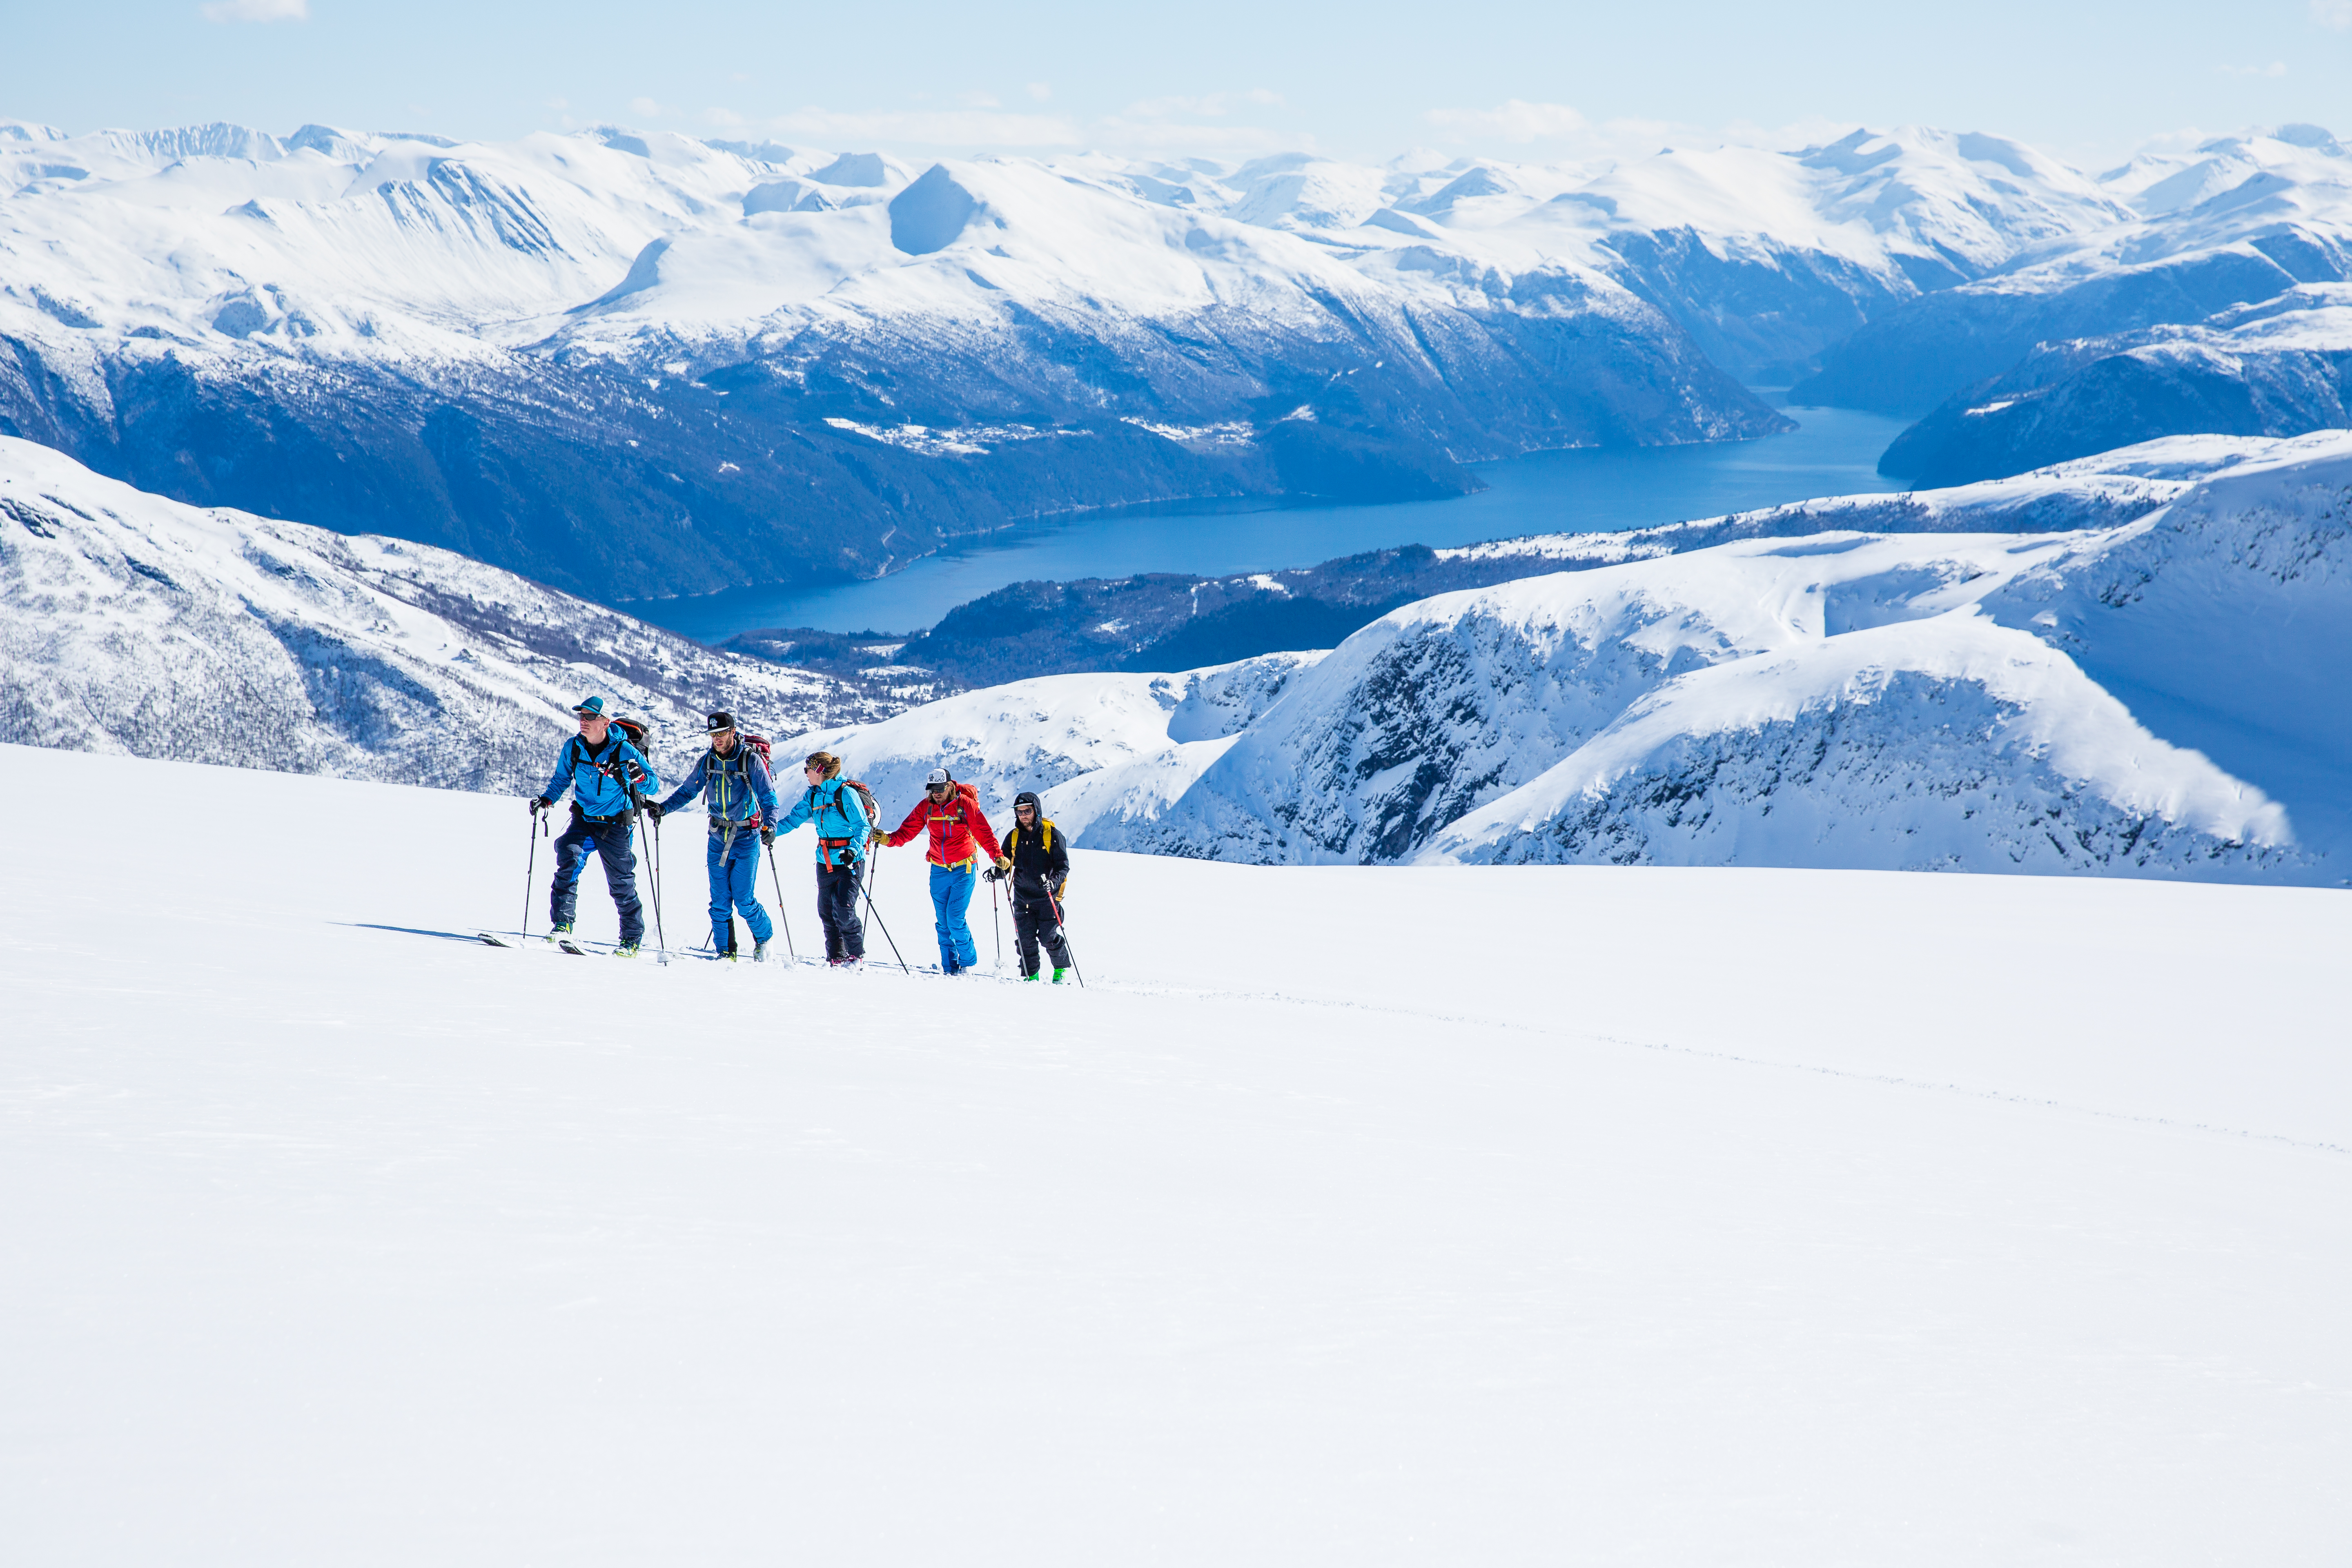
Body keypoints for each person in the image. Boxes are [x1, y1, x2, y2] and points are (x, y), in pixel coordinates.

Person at [529, 695, 658, 957]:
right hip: (584, 819)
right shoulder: (574, 748)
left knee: (621, 881)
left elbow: (653, 785)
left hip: (616, 825)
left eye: (590, 717)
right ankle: (562, 926)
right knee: (568, 856)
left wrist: (639, 777)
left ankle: (632, 940)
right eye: (581, 716)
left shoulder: (624, 751)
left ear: (605, 722)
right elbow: (561, 779)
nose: (583, 721)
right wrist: (546, 800)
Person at [649, 710, 778, 962]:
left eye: (721, 734)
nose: (717, 739)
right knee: (719, 902)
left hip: (746, 838)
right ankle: (725, 953)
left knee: (743, 899)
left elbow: (768, 798)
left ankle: (765, 940)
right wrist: (663, 808)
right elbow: (688, 791)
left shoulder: (750, 761)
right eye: (713, 735)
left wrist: (770, 827)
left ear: (732, 732)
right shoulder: (708, 762)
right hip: (718, 837)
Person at [877, 766, 1001, 976]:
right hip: (939, 871)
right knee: (943, 923)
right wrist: (889, 840)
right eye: (932, 789)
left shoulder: (965, 805)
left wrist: (997, 855)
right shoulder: (926, 808)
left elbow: (984, 832)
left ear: (950, 786)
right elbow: (908, 830)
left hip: (965, 868)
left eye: (940, 789)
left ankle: (968, 964)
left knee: (955, 918)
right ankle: (950, 968)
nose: (936, 793)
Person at [772, 750, 870, 966]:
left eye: (808, 769)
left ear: (819, 771)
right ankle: (836, 958)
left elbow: (862, 826)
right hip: (825, 860)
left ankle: (856, 956)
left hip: (849, 860)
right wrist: (771, 831)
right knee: (826, 911)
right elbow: (793, 820)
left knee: (844, 909)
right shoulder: (814, 795)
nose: (806, 773)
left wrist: (853, 851)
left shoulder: (845, 794)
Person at [989, 789, 1072, 982]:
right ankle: (1030, 976)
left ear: (1037, 810)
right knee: (1025, 941)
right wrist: (997, 873)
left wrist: (1054, 882)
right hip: (1022, 897)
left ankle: (1061, 970)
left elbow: (1063, 867)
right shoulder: (1014, 837)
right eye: (1019, 812)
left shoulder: (1052, 835)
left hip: (1047, 898)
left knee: (1048, 938)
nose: (1023, 816)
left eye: (1027, 811)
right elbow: (1006, 864)